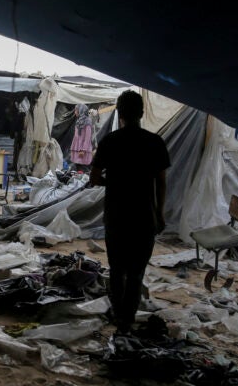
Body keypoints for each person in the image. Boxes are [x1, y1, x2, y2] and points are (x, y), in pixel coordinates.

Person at [90, 90, 170, 333]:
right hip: (144, 215)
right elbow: (162, 182)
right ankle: (128, 317)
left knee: (117, 269)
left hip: (116, 214)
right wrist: (159, 213)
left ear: (119, 112)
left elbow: (94, 178)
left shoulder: (109, 142)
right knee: (136, 272)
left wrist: (115, 182)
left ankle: (117, 315)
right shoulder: (155, 142)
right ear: (142, 113)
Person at [69, 103, 94, 173]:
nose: (75, 112)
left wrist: (83, 150)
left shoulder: (87, 122)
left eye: (76, 110)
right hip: (77, 148)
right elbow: (76, 136)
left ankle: (87, 182)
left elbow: (87, 137)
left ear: (81, 110)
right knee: (78, 167)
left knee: (83, 168)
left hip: (82, 150)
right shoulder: (78, 121)